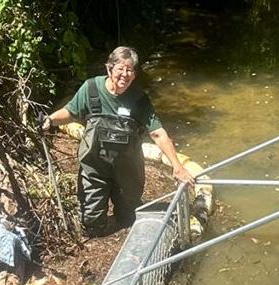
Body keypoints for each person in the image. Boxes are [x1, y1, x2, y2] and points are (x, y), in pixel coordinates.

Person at [43, 46, 194, 236]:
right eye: (120, 69)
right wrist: (50, 120)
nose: (125, 75)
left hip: (127, 171)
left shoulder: (139, 99)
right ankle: (97, 220)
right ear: (109, 69)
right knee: (92, 223)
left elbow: (158, 133)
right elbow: (71, 112)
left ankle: (123, 214)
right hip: (95, 167)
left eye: (130, 70)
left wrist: (177, 166)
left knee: (128, 218)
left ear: (134, 74)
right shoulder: (91, 89)